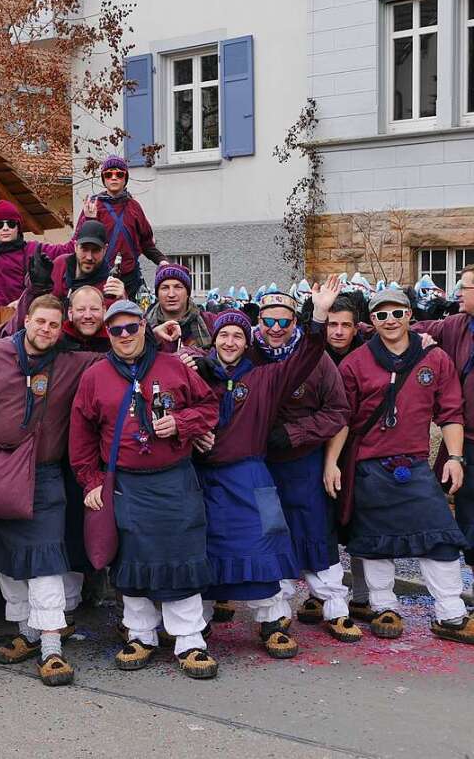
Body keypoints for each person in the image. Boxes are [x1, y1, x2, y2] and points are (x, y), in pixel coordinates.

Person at [191, 276, 340, 659]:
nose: (229, 342)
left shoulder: (266, 377)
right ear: (215, 339)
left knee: (267, 547)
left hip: (254, 477)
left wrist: (319, 313)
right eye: (223, 335)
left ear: (247, 343)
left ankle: (272, 622)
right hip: (206, 480)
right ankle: (197, 621)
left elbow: (307, 355)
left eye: (237, 337)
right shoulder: (196, 375)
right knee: (207, 550)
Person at [71, 300, 220, 679]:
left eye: (131, 328)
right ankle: (140, 635)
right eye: (116, 330)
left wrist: (183, 422)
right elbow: (82, 434)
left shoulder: (174, 367)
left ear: (143, 326)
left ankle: (189, 639)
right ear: (108, 333)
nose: (125, 336)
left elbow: (209, 406)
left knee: (182, 554)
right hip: (125, 482)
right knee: (132, 557)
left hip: (174, 478)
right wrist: (90, 481)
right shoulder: (94, 376)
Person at [0, 294, 101, 686]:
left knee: (46, 561)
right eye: (40, 322)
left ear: (62, 329)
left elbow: (124, 359)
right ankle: (27, 631)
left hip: (43, 476)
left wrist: (160, 341)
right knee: (4, 558)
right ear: (27, 320)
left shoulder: (72, 363)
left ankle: (52, 648)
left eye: (54, 325)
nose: (46, 330)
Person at [325, 288, 473, 645]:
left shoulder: (434, 359)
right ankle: (382, 607)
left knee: (440, 537)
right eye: (381, 315)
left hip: (415, 464)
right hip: (369, 466)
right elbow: (341, 419)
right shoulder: (355, 363)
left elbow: (450, 412)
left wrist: (454, 458)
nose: (389, 321)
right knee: (376, 542)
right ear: (371, 322)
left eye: (396, 313)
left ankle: (451, 612)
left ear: (410, 315)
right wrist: (332, 463)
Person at [252, 289, 358, 642]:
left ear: (295, 322)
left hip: (304, 460)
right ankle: (277, 611)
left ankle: (335, 605)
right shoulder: (248, 355)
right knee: (271, 534)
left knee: (315, 533)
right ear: (260, 321)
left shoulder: (317, 359)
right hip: (262, 466)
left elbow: (339, 411)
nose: (276, 327)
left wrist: (296, 433)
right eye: (269, 320)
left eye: (284, 320)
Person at [410, 263, 474, 570]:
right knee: (467, 520)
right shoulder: (458, 325)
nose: (457, 293)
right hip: (465, 441)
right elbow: (417, 328)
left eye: (465, 287)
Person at [74, 154, 169, 297]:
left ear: (125, 178)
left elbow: (146, 243)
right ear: (103, 179)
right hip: (99, 278)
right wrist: (89, 220)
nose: (114, 177)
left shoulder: (134, 207)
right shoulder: (93, 205)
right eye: (108, 174)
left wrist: (162, 261)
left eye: (119, 174)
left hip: (130, 279)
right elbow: (80, 244)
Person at [146, 264, 214, 353]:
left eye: (178, 287)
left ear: (188, 293)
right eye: (165, 288)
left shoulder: (210, 322)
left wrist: (202, 359)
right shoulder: (142, 325)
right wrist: (153, 336)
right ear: (157, 294)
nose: (171, 294)